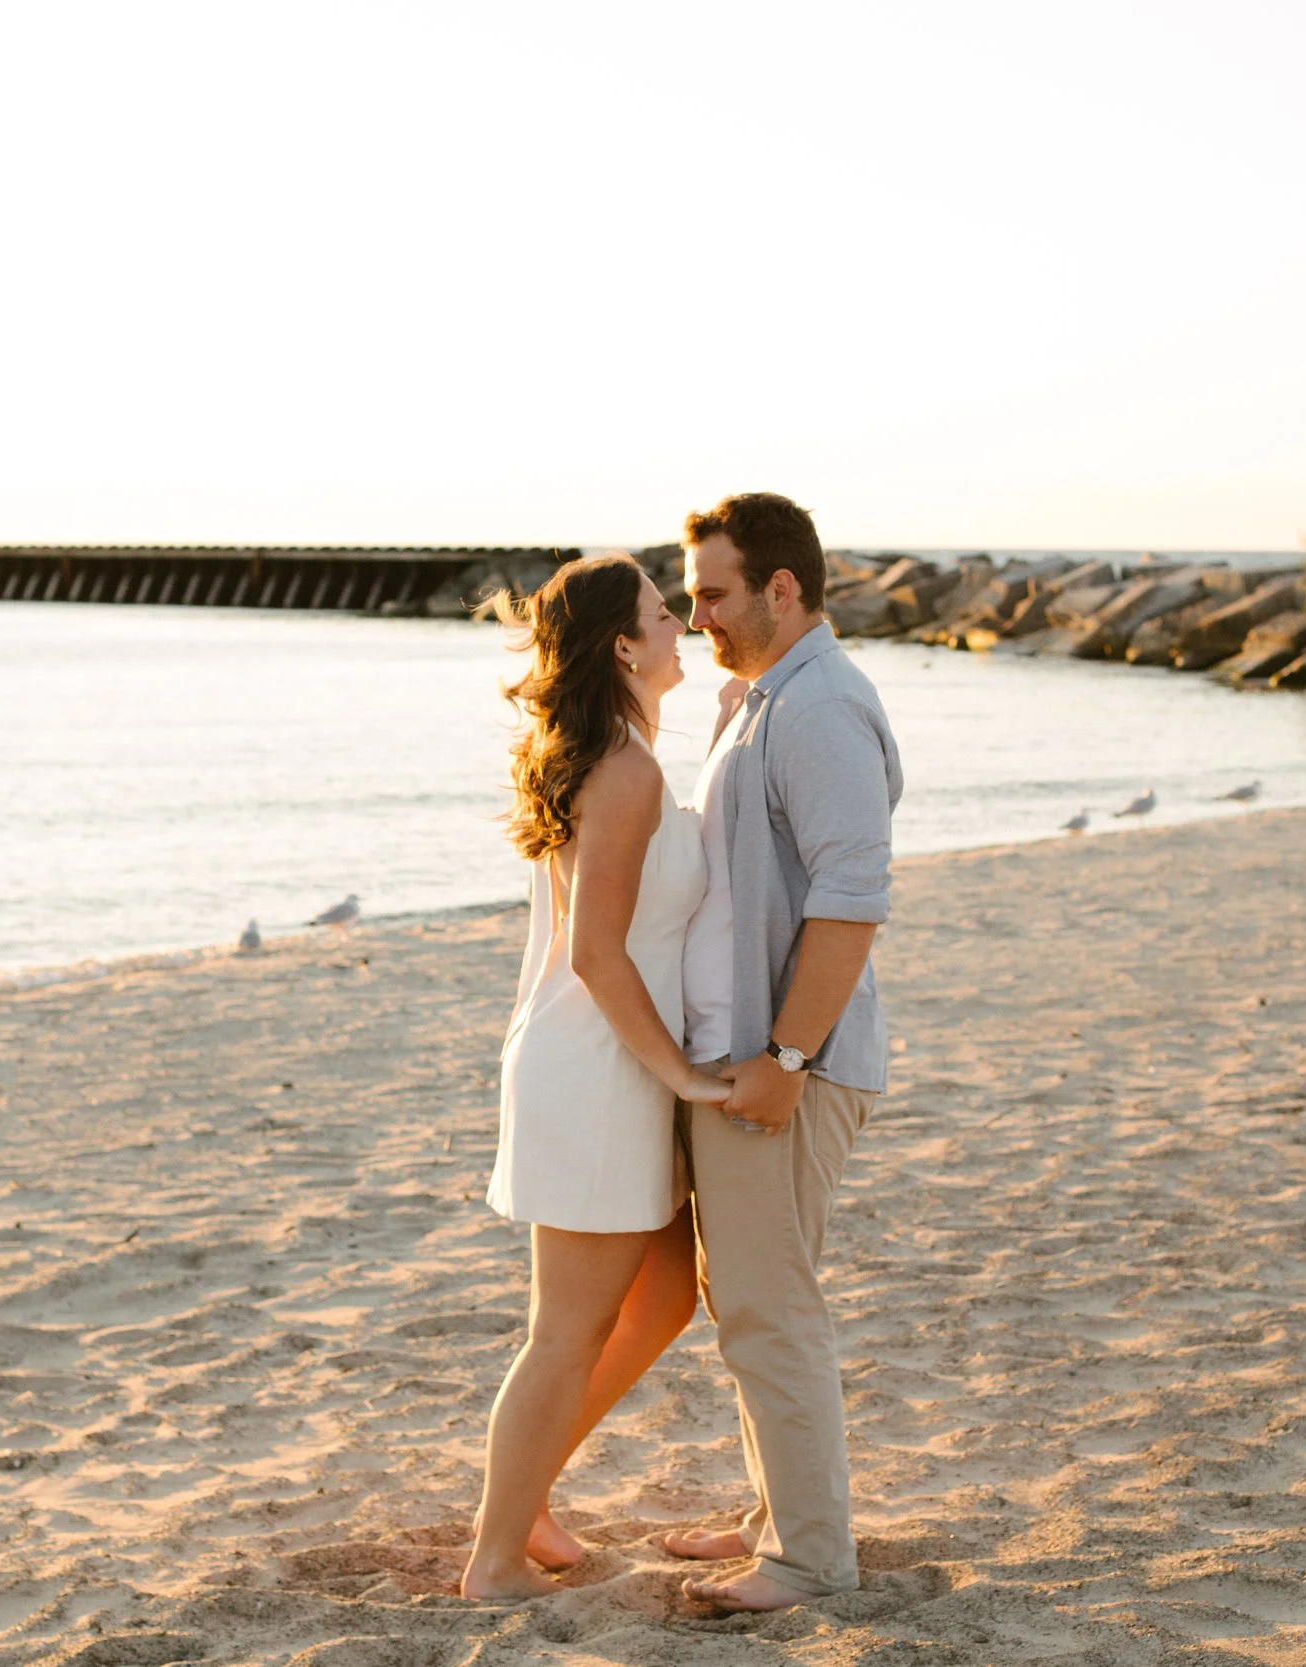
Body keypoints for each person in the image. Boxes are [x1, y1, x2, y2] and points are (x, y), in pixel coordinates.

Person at [460, 553, 732, 1601]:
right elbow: (596, 954)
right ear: (622, 645)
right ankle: (495, 1557)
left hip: (611, 1066)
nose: (682, 626)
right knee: (564, 1332)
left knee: (661, 1299)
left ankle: (522, 1495)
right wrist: (686, 1077)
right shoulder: (623, 769)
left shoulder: (624, 754)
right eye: (664, 613)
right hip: (599, 1072)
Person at [663, 492, 904, 1613]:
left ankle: (808, 1558)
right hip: (748, 1051)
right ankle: (779, 1517)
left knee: (771, 1303)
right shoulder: (764, 699)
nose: (695, 615)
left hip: (788, 1059)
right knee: (748, 1296)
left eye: (713, 593)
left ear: (782, 586)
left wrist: (786, 1056)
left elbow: (853, 898)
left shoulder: (819, 707)